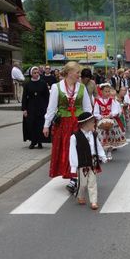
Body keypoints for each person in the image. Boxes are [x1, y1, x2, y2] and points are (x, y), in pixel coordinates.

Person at [43, 61, 93, 192]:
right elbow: (51, 108)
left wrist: (90, 125)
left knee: (79, 150)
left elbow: (87, 107)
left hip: (78, 123)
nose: (79, 75)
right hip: (63, 125)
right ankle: (73, 177)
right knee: (66, 151)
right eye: (77, 72)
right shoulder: (56, 87)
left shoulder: (81, 88)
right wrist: (46, 125)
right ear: (70, 73)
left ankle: (75, 178)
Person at [69, 112, 107, 210]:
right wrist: (74, 166)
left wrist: (102, 156)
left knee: (92, 182)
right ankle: (81, 196)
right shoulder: (74, 137)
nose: (94, 124)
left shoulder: (94, 135)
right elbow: (72, 152)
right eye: (92, 122)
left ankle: (93, 201)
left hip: (93, 162)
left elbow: (97, 146)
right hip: (82, 163)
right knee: (83, 184)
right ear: (85, 123)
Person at [93, 83, 127, 161]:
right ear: (101, 92)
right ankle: (102, 153)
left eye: (108, 91)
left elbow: (116, 110)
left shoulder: (112, 101)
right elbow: (95, 113)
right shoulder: (98, 102)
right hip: (101, 122)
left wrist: (110, 114)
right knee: (102, 137)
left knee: (111, 137)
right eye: (106, 91)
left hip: (111, 121)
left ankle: (109, 152)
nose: (107, 93)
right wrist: (101, 116)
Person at [22, 66, 51, 149]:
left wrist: (48, 107)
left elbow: (47, 96)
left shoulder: (43, 83)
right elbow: (24, 97)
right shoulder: (27, 84)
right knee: (32, 124)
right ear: (31, 74)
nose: (36, 74)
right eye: (34, 73)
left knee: (40, 124)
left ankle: (40, 141)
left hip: (41, 106)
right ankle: (33, 141)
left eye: (37, 73)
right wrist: (24, 109)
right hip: (31, 106)